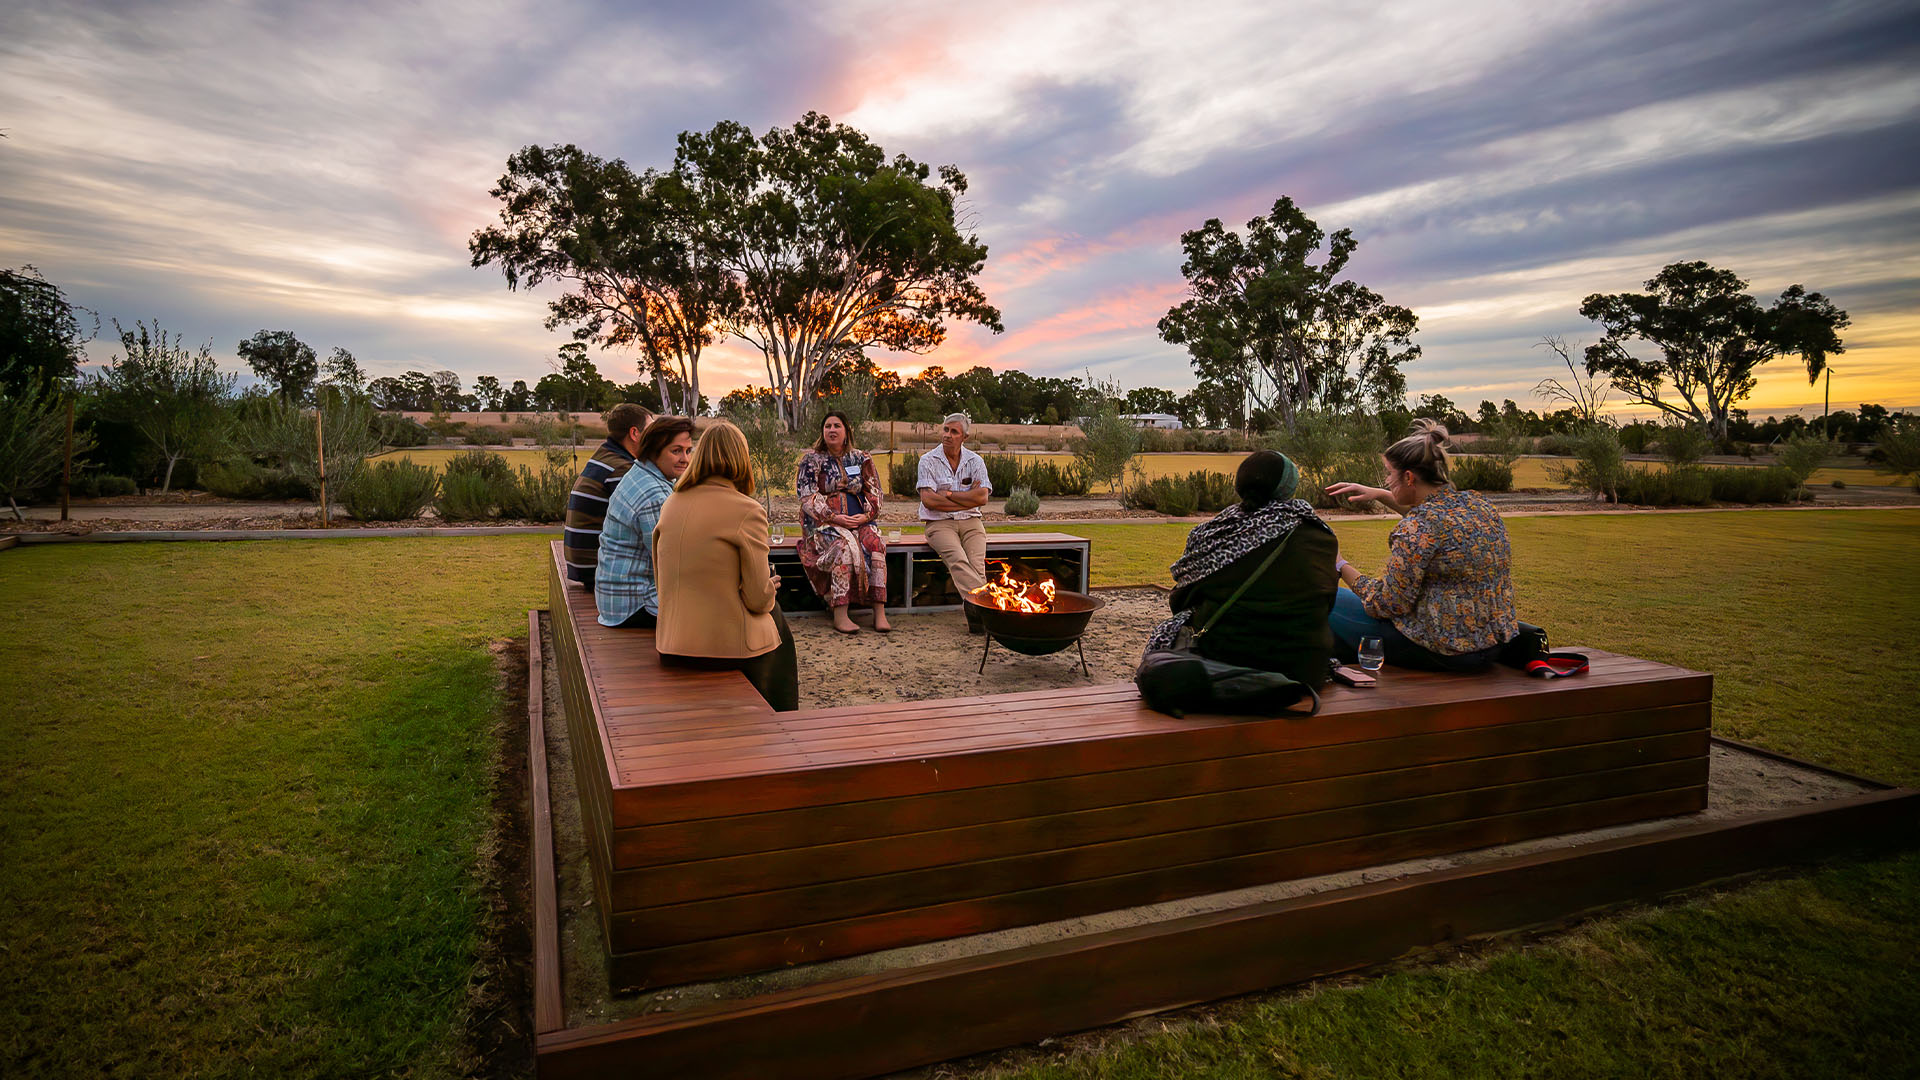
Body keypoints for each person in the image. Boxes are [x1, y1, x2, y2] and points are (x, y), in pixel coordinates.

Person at [1324, 420, 1519, 672]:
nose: (1386, 482)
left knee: (1329, 598)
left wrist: (1340, 564)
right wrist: (1382, 495)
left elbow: (1388, 603)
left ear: (1408, 477)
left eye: (1388, 474)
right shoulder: (1479, 506)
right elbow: (1434, 528)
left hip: (1440, 650)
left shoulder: (1419, 527)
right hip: (1491, 645)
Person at [1144, 451, 1339, 688]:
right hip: (1305, 668)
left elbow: (1181, 599)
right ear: (1288, 488)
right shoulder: (1321, 536)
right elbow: (1326, 602)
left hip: (1227, 664)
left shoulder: (1214, 534)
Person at [651, 420, 799, 712]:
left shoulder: (672, 503)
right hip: (721, 650)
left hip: (671, 644)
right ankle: (781, 719)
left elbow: (661, 580)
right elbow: (757, 600)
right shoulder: (747, 510)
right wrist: (769, 587)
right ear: (741, 459)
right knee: (778, 625)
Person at [596, 416, 697, 629]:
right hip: (634, 603)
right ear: (653, 450)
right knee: (718, 608)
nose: (685, 459)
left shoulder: (641, 474)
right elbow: (670, 561)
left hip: (616, 598)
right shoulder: (654, 494)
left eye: (688, 451)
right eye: (676, 451)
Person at [795, 411, 891, 634]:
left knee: (876, 544)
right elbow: (807, 497)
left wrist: (867, 516)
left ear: (847, 431)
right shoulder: (811, 461)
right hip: (824, 525)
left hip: (860, 521)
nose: (831, 430)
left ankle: (879, 612)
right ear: (822, 432)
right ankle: (840, 613)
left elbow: (875, 491)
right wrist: (833, 516)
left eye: (836, 425)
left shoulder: (861, 458)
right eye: (827, 426)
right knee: (844, 548)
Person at [563, 402, 653, 590]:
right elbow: (646, 519)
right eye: (651, 430)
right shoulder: (622, 469)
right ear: (635, 433)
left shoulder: (606, 457)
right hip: (596, 567)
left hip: (584, 564)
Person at [917, 412, 992, 632]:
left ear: (964, 437)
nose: (948, 435)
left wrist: (948, 495)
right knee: (958, 560)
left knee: (978, 567)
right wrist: (965, 500)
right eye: (946, 430)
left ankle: (977, 621)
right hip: (939, 524)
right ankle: (993, 605)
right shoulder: (928, 461)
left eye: (954, 432)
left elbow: (982, 498)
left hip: (971, 522)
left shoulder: (975, 461)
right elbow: (929, 500)